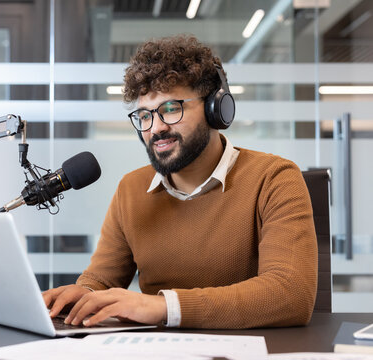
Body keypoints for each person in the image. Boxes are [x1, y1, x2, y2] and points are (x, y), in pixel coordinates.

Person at [42, 34, 318, 329]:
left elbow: (291, 294)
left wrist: (165, 307)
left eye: (171, 109)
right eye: (144, 116)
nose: (156, 128)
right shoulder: (131, 189)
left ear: (216, 108)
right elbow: (102, 279)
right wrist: (83, 295)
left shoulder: (274, 178)